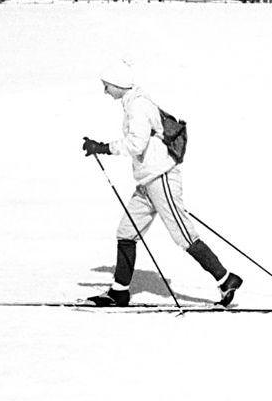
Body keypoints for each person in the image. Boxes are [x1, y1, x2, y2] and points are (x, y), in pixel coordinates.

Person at [81, 58, 243, 308]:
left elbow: (137, 144)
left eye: (107, 85)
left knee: (183, 235)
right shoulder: (132, 104)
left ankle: (225, 279)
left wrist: (102, 147)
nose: (105, 91)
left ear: (118, 84)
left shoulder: (138, 107)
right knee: (126, 232)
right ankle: (119, 292)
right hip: (147, 182)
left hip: (161, 177)